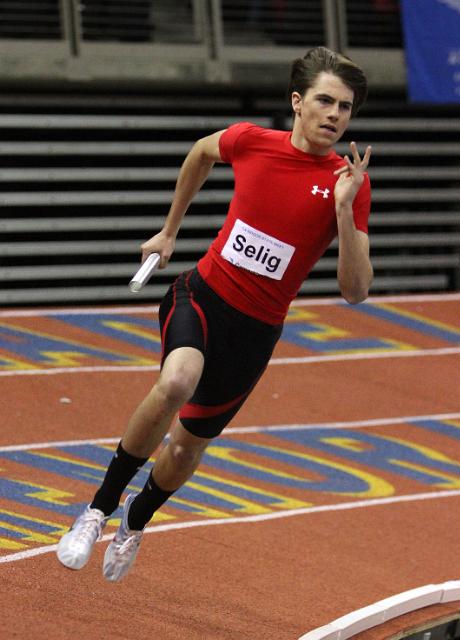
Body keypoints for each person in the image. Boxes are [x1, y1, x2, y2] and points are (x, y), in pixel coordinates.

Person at [56, 46, 373, 582]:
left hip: (254, 333)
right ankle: (97, 510)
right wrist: (170, 229)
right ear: (298, 103)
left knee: (185, 446)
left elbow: (355, 291)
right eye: (325, 101)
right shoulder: (251, 141)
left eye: (345, 107)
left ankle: (136, 518)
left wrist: (344, 210)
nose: (336, 115)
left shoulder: (349, 185)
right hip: (202, 295)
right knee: (177, 381)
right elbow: (201, 154)